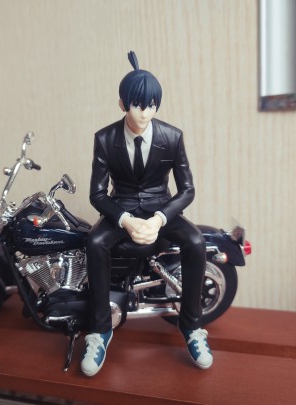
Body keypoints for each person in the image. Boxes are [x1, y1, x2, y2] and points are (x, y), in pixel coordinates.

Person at [82, 51, 212, 376]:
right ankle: (100, 330)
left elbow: (187, 190)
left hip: (161, 210)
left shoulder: (172, 137)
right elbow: (97, 194)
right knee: (94, 242)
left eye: (152, 105)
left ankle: (192, 326)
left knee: (196, 242)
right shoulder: (105, 139)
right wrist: (125, 220)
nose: (145, 112)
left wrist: (159, 219)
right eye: (138, 105)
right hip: (121, 209)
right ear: (122, 104)